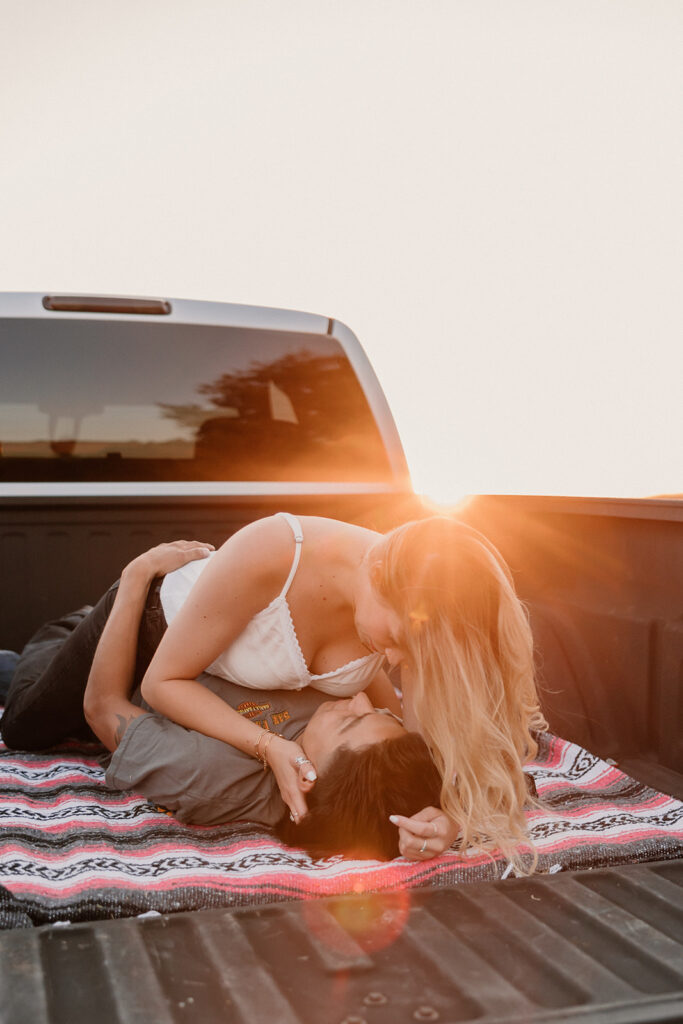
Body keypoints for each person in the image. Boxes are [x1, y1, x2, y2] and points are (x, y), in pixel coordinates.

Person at [1, 541, 441, 861]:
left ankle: (61, 633)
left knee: (23, 725)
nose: (361, 700)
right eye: (382, 713)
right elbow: (428, 777)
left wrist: (135, 578)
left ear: (312, 781)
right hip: (188, 622)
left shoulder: (211, 778)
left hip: (128, 643)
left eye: (351, 723)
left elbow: (101, 707)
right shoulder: (356, 745)